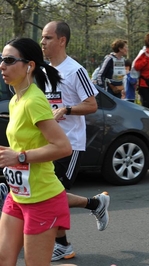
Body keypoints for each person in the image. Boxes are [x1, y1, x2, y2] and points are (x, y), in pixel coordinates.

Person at [41, 21, 110, 262]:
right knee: (50, 193)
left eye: (48, 37)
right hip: (47, 142)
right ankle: (93, 205)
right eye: (42, 37)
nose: (43, 42)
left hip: (69, 144)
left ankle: (64, 243)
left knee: (53, 194)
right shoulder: (43, 70)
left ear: (62, 41)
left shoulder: (75, 70)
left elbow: (92, 105)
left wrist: (67, 109)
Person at [0, 37, 72, 266]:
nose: (2, 65)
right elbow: (27, 142)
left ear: (29, 65)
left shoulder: (34, 101)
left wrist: (20, 156)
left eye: (10, 60)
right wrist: (10, 153)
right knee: (4, 259)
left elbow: (63, 147)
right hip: (17, 195)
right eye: (1, 59)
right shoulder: (15, 100)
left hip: (43, 199)